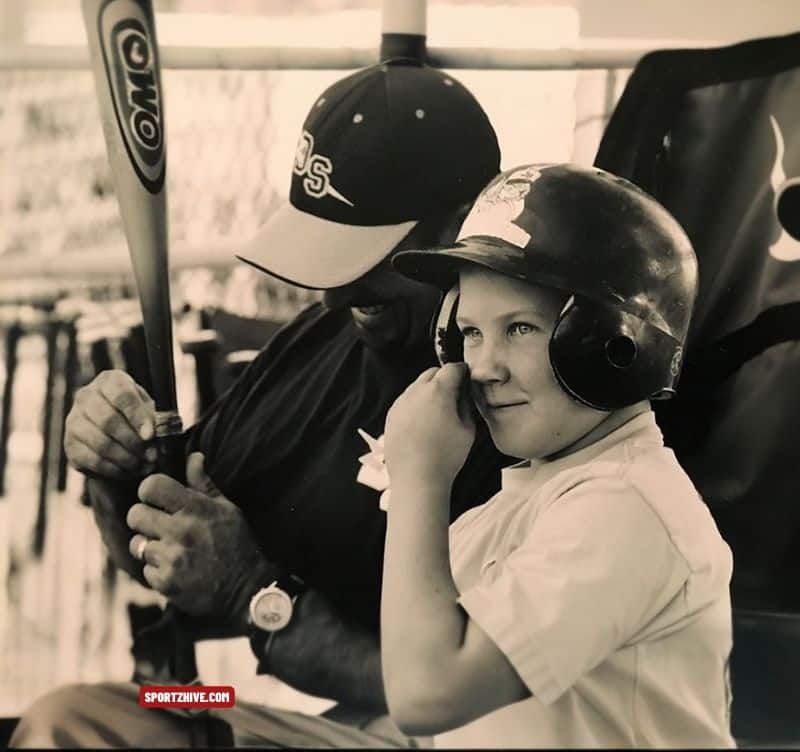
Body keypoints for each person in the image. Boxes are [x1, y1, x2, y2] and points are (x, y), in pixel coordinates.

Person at [10, 59, 507, 748]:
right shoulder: (329, 337)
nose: (334, 295)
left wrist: (253, 593)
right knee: (71, 716)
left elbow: (448, 701)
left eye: (368, 255)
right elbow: (167, 550)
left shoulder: (518, 393)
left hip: (447, 734)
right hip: (305, 716)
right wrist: (111, 467)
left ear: (465, 224)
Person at [379, 163, 735, 748]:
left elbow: (425, 694)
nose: (484, 368)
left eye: (519, 328)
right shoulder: (524, 502)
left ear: (614, 342)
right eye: (469, 333)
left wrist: (418, 478)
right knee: (176, 709)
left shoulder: (626, 505)